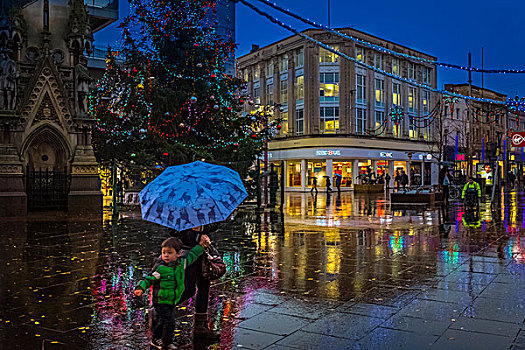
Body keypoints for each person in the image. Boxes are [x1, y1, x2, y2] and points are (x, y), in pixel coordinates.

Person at [135, 235, 211, 349]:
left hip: (171, 300)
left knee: (163, 321)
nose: (166, 255)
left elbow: (192, 255)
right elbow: (149, 279)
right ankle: (167, 342)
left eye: (169, 253)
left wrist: (202, 246)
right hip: (160, 301)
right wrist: (140, 288)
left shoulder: (181, 264)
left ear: (178, 253)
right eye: (164, 252)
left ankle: (155, 339)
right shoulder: (161, 268)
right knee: (170, 322)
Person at [171, 225, 220, 340]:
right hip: (187, 252)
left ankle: (200, 327)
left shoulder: (206, 207)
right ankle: (160, 309)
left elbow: (215, 224)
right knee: (188, 289)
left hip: (203, 252)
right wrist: (196, 236)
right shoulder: (179, 210)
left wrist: (203, 229)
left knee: (204, 287)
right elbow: (174, 231)